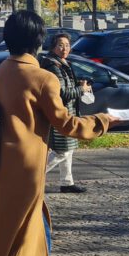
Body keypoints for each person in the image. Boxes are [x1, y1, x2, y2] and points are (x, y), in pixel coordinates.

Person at [0, 11, 115, 256]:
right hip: (26, 169)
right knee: (20, 238)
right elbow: (67, 124)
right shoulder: (43, 78)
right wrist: (103, 121)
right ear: (38, 40)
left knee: (35, 229)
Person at [40, 33, 89, 194]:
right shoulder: (53, 66)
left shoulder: (63, 63)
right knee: (62, 150)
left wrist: (80, 85)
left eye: (67, 45)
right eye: (61, 45)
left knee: (69, 150)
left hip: (68, 112)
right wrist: (81, 90)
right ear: (53, 47)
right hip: (60, 113)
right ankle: (32, 176)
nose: (65, 48)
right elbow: (62, 93)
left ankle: (67, 182)